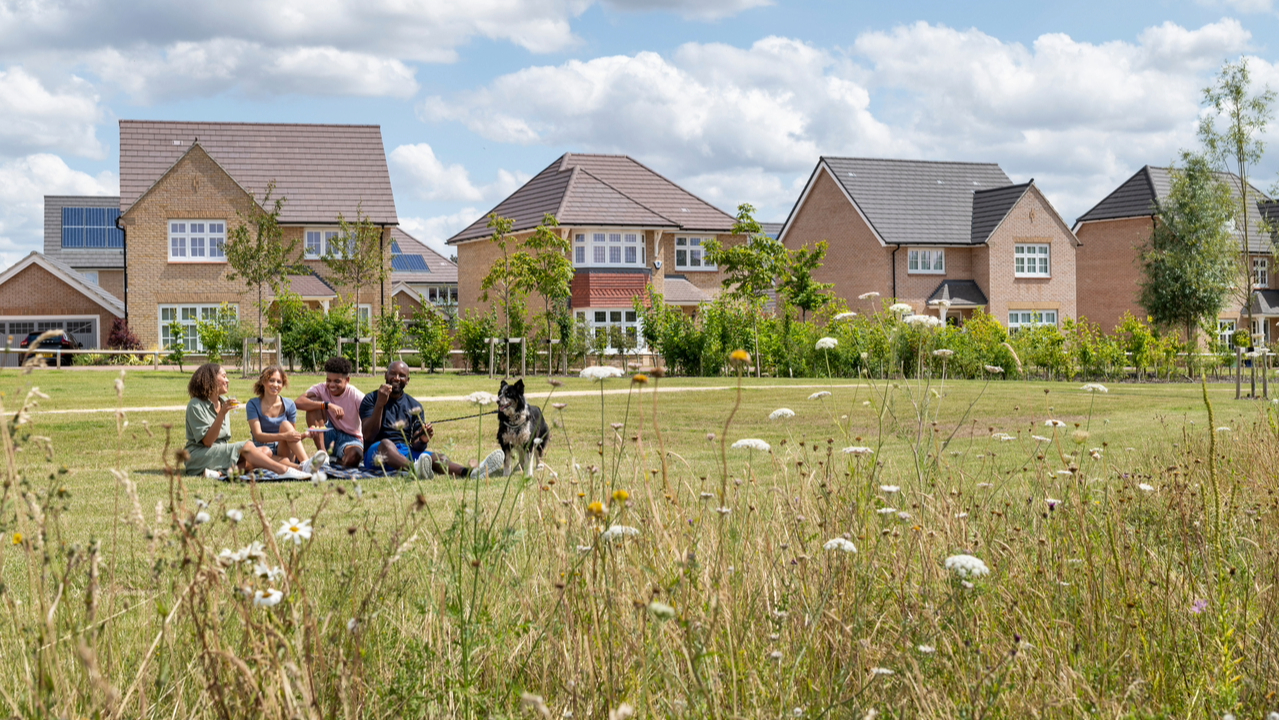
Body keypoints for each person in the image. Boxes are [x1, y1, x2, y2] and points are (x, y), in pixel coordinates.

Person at [358, 360, 504, 478]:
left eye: (402, 375)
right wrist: (380, 404)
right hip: (376, 454)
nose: (396, 378)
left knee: (438, 457)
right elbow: (368, 434)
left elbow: (416, 447)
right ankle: (414, 469)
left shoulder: (414, 406)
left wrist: (423, 440)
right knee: (386, 443)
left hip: (403, 452)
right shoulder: (371, 399)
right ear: (385, 375)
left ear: (407, 380)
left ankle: (470, 473)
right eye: (393, 374)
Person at [183, 362, 310, 479]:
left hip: (219, 452)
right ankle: (283, 470)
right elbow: (207, 442)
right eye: (224, 376)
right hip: (199, 456)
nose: (227, 380)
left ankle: (219, 474)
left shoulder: (223, 401)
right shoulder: (196, 405)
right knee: (247, 445)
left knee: (265, 451)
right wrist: (222, 414)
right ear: (211, 379)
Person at [246, 365, 328, 472]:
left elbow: (292, 437)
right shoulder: (253, 404)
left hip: (284, 448)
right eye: (271, 380)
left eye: (279, 382)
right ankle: (304, 467)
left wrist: (305, 435)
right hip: (263, 450)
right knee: (277, 458)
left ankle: (305, 461)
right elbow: (258, 436)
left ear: (283, 384)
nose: (275, 385)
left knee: (285, 425)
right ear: (263, 382)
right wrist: (284, 436)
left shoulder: (289, 404)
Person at [295, 356, 365, 468]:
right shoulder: (321, 388)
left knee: (355, 457)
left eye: (337, 381)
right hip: (328, 433)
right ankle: (323, 454)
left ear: (347, 380)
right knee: (313, 403)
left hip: (351, 438)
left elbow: (369, 420)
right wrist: (327, 405)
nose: (331, 385)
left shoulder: (356, 395)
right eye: (329, 380)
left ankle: (335, 460)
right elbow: (298, 402)